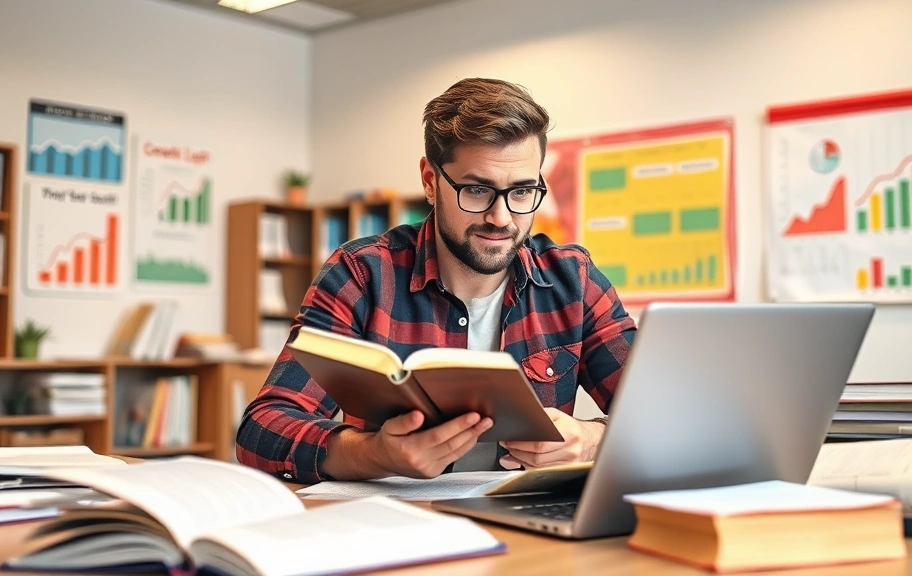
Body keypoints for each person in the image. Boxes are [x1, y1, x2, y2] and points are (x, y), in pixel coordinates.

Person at [236, 78, 636, 484]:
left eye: (521, 192)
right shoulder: (360, 275)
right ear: (430, 180)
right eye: (477, 190)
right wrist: (373, 454)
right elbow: (262, 429)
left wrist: (589, 439)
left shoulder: (575, 281)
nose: (501, 218)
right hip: (401, 527)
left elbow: (672, 422)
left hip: (530, 526)